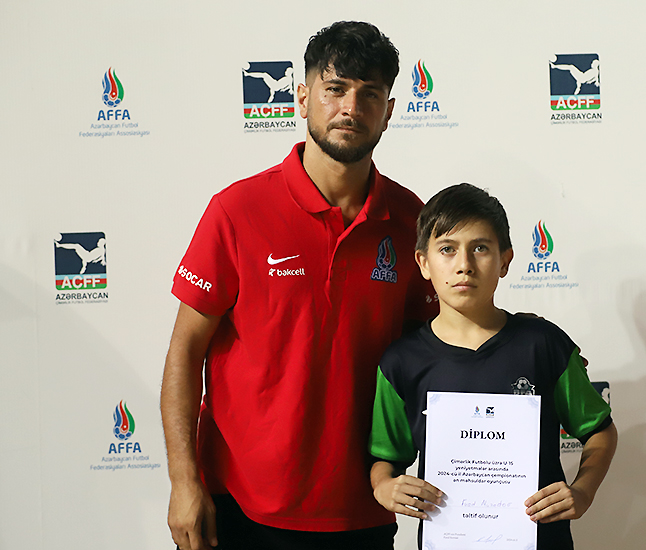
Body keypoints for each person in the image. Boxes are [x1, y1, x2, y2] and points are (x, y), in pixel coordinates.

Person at [161, 21, 437, 550]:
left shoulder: (413, 222)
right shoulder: (237, 211)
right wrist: (183, 482)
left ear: (389, 111)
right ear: (303, 98)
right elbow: (184, 351)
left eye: (369, 94)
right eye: (335, 89)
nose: (350, 108)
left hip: (364, 507)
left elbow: (437, 351)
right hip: (240, 505)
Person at [369, 183, 618, 549]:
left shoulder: (543, 345)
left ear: (505, 260)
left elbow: (600, 431)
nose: (464, 265)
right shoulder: (401, 362)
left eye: (480, 248)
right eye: (447, 249)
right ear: (423, 263)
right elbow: (385, 457)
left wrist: (583, 491)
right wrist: (383, 486)